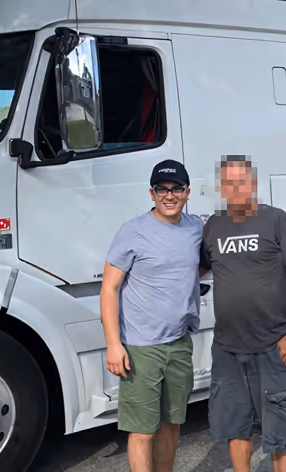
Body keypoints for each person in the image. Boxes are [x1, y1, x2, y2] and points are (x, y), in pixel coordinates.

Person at [199, 155, 286, 472]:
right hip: (227, 349)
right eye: (229, 183)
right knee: (236, 427)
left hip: (272, 346)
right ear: (222, 187)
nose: (235, 189)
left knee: (280, 431)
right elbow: (196, 269)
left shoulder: (277, 220)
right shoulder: (214, 227)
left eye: (241, 182)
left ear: (253, 184)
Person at [99, 159, 203, 472]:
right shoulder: (133, 232)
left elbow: (199, 264)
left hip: (180, 343)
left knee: (172, 425)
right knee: (142, 430)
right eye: (162, 189)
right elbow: (108, 289)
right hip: (141, 348)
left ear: (187, 192)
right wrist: (113, 344)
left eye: (175, 189)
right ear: (151, 193)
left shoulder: (196, 227)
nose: (168, 195)